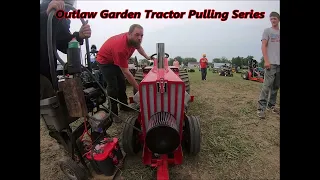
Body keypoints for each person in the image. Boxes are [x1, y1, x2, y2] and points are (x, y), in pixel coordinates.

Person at [40, 0, 91, 141]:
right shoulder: (45, 10)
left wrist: (79, 36)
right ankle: (63, 136)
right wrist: (46, 14)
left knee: (56, 95)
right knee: (47, 91)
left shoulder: (60, 18)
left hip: (47, 68)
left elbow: (64, 43)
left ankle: (67, 134)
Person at [96, 24, 151, 119]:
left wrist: (148, 58)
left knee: (122, 83)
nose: (139, 38)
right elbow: (127, 73)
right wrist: (139, 89)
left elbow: (139, 48)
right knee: (113, 87)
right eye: (137, 35)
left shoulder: (134, 41)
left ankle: (124, 106)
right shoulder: (121, 48)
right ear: (129, 34)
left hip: (115, 60)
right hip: (105, 61)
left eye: (141, 35)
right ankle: (113, 113)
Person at [257, 12, 280, 119]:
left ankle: (271, 106)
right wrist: (266, 60)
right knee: (266, 86)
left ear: (278, 20)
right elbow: (263, 45)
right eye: (271, 19)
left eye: (275, 19)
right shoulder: (267, 31)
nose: (273, 21)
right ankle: (261, 108)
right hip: (271, 63)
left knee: (275, 87)